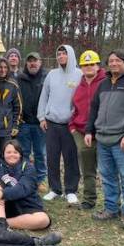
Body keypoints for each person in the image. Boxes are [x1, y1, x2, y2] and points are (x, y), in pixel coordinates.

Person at [85, 50, 124, 230]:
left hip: (121, 140)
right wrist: (89, 130)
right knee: (107, 176)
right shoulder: (103, 84)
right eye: (111, 61)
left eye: (118, 60)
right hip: (102, 139)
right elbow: (94, 108)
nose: (114, 63)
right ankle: (111, 208)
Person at [38, 45, 82, 204]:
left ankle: (71, 190)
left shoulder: (79, 74)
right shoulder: (52, 74)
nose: (61, 56)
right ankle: (55, 189)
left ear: (70, 55)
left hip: (70, 124)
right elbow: (44, 96)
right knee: (52, 157)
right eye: (59, 54)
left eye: (64, 53)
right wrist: (42, 117)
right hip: (51, 123)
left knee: (71, 158)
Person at [0, 140, 51, 231]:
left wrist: (2, 194)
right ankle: (1, 221)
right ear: (3, 154)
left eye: (15, 152)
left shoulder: (29, 168)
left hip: (26, 204)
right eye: (8, 152)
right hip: (4, 205)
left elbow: (23, 188)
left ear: (20, 154)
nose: (12, 155)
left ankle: (0, 223)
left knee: (44, 220)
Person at [69, 50, 106, 210]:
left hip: (103, 132)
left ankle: (112, 204)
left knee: (108, 170)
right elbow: (74, 109)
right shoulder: (79, 86)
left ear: (98, 65)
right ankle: (89, 200)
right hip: (81, 132)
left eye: (91, 64)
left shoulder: (106, 82)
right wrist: (72, 126)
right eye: (85, 65)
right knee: (88, 169)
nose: (88, 67)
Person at [17, 52, 48, 189]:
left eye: (35, 61)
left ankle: (41, 179)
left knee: (40, 153)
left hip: (41, 123)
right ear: (26, 63)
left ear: (40, 62)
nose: (32, 63)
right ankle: (23, 177)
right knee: (23, 152)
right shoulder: (20, 78)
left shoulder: (46, 78)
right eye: (30, 61)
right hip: (24, 123)